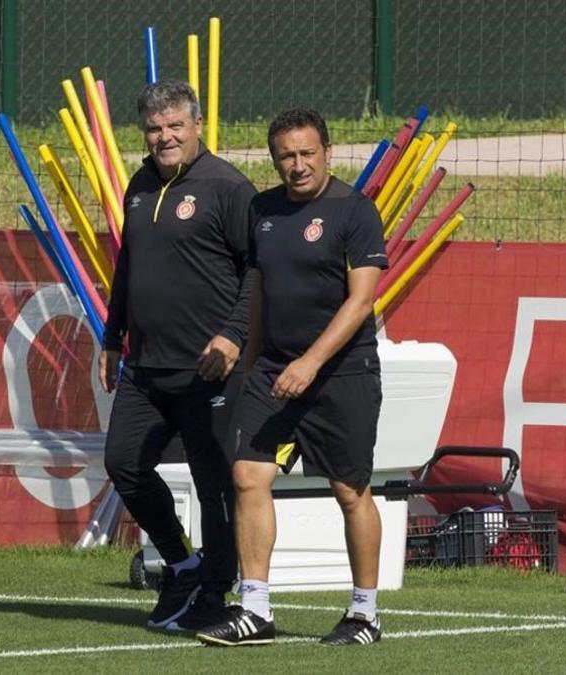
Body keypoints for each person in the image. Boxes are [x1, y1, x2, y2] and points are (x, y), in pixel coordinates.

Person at [196, 108, 388, 647]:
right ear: (274, 158)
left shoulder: (355, 211)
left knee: (350, 491)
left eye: (307, 153)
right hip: (273, 370)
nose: (297, 165)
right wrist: (253, 361)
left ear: (328, 151)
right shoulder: (263, 209)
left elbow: (362, 301)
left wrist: (312, 362)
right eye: (286, 156)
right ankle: (255, 609)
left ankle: (364, 613)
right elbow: (258, 290)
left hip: (342, 372)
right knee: (248, 476)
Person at [100, 79, 256, 632]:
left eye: (175, 126)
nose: (164, 137)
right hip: (144, 364)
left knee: (213, 480)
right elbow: (128, 266)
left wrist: (234, 336)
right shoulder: (139, 185)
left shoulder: (228, 187)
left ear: (196, 128)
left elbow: (256, 272)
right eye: (154, 128)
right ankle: (183, 565)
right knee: (122, 461)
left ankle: (217, 589)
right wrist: (109, 334)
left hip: (208, 368)